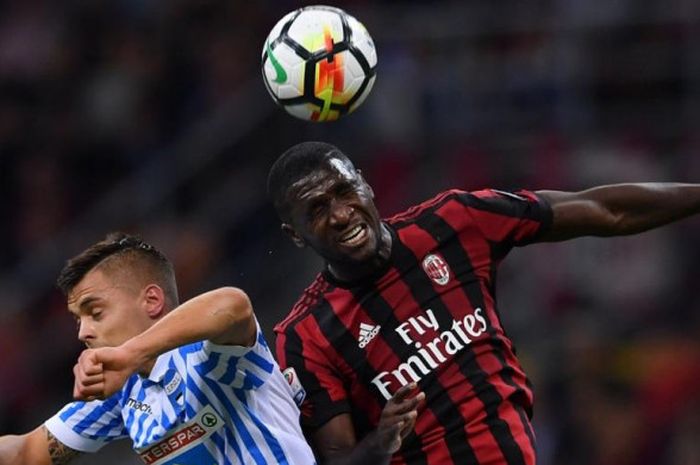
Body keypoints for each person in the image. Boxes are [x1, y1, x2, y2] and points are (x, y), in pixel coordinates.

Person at [267, 141, 700, 465]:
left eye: (345, 191)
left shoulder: (452, 223)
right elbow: (334, 458)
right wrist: (381, 442)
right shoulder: (306, 336)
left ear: (365, 182)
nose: (341, 214)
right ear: (295, 234)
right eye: (317, 209)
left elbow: (604, 210)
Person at [0, 232, 317, 465]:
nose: (83, 332)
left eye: (95, 313)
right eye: (77, 320)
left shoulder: (212, 351)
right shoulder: (125, 392)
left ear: (152, 300)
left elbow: (234, 305)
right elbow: (25, 452)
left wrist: (128, 355)